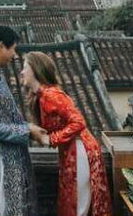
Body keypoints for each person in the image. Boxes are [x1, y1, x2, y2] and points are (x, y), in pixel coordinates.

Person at [21, 51, 112, 216]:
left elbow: (79, 122)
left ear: (35, 70)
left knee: (78, 205)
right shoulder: (42, 96)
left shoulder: (50, 95)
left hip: (80, 149)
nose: (21, 72)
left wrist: (51, 139)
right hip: (71, 150)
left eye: (25, 67)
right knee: (73, 202)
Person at [0, 26, 46, 216]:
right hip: (0, 163)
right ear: (0, 46)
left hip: (8, 159)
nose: (14, 55)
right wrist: (27, 131)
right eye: (12, 48)